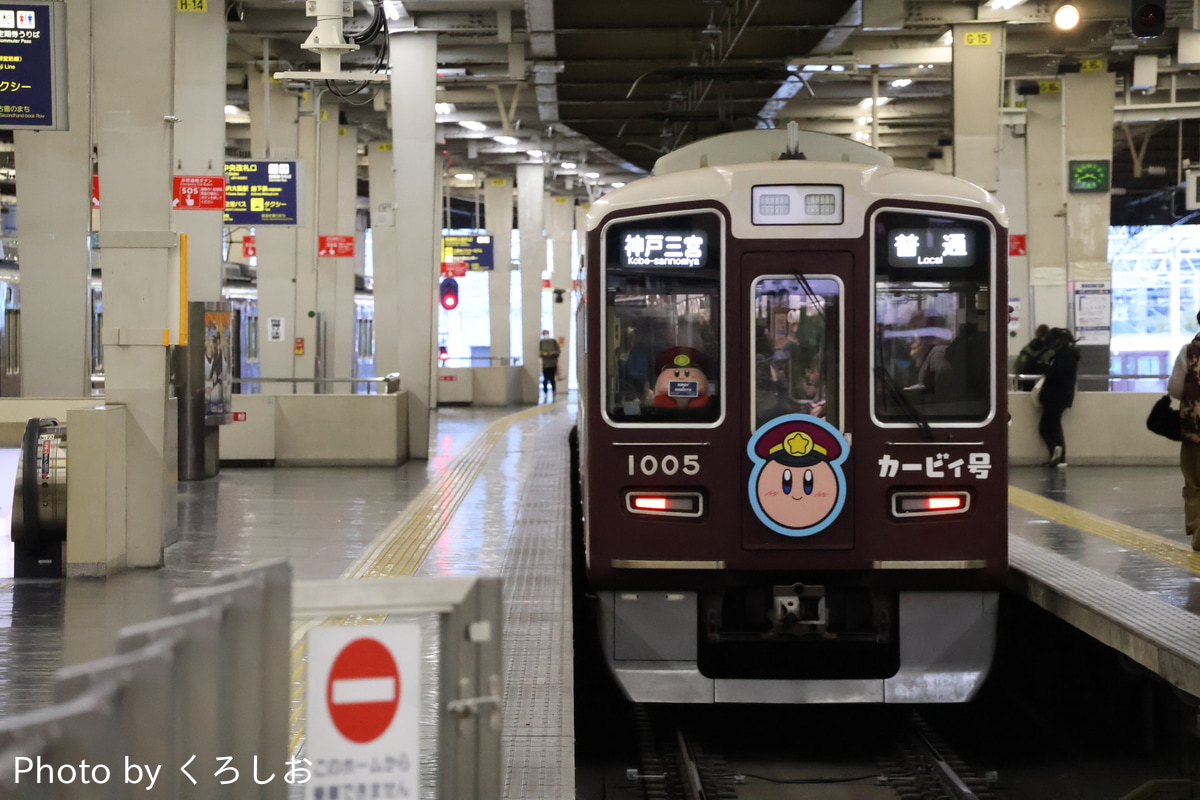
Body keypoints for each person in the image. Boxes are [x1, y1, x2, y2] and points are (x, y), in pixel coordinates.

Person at [1168, 311, 1200, 549]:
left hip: (1194, 430)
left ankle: (1198, 533)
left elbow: (1176, 389)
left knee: (1195, 483)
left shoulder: (1189, 352)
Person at [1037, 327, 1080, 468]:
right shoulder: (1070, 353)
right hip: (1063, 395)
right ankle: (1057, 455)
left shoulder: (1063, 355)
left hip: (1055, 395)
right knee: (1053, 425)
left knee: (1047, 426)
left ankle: (1058, 453)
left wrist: (1045, 368)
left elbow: (1055, 373)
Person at [1014, 324, 1051, 391]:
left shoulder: (1031, 345)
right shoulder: (1047, 348)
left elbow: (1021, 363)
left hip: (1026, 375)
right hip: (1039, 378)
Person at [539, 330, 560, 400]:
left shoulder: (553, 341)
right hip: (545, 364)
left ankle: (553, 392)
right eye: (544, 334)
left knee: (552, 379)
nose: (546, 335)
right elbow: (539, 352)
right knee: (545, 379)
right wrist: (543, 354)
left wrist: (553, 353)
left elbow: (558, 351)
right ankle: (545, 393)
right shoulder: (542, 342)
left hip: (552, 363)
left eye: (546, 334)